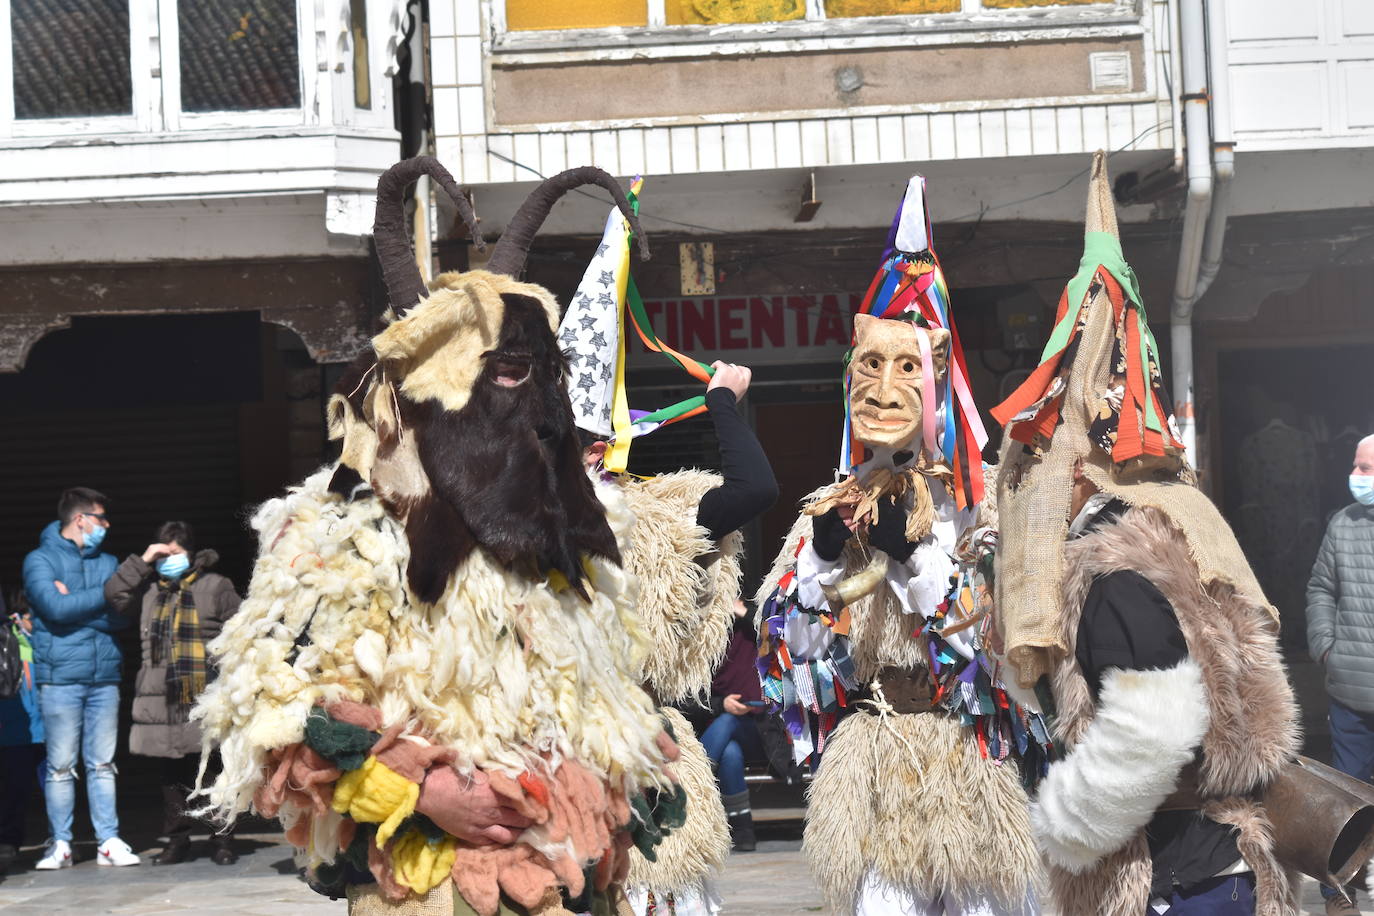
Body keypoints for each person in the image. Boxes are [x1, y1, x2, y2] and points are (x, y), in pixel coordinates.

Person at [193, 158, 685, 915]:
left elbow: (604, 704)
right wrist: (423, 789)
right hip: (422, 886)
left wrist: (615, 785)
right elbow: (281, 719)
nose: (541, 418)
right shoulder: (335, 544)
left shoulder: (569, 550)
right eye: (510, 379)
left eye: (541, 379)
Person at [989, 152, 1299, 916]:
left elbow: (1155, 734)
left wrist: (1063, 825)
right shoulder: (1176, 544)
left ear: (1075, 478)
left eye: (1032, 472)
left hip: (1180, 878)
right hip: (1204, 869)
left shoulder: (1117, 575)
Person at [755, 176, 1045, 916]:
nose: (883, 389)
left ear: (940, 376)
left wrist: (917, 560)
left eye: (906, 366)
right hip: (876, 764)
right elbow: (790, 650)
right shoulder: (831, 504)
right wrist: (819, 558)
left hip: (966, 759)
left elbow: (997, 648)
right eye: (869, 366)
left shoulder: (979, 508)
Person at [559, 188, 777, 916]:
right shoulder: (520, 526)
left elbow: (754, 488)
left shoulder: (660, 517)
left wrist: (720, 402)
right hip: (558, 764)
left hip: (650, 756)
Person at [105, 521, 242, 866]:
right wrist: (145, 559)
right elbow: (114, 594)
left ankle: (222, 838)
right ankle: (178, 839)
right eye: (163, 553)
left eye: (175, 553)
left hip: (203, 694)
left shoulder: (216, 586)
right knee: (170, 776)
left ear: (191, 553)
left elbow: (242, 630)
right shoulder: (149, 592)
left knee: (213, 769)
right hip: (159, 697)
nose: (169, 560)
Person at [22, 486, 139, 869]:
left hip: (104, 676)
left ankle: (108, 840)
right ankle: (61, 844)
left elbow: (123, 615)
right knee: (60, 766)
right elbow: (53, 607)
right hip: (60, 680)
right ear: (80, 519)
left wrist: (75, 604)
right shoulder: (39, 561)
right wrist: (98, 598)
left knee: (103, 763)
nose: (106, 525)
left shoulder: (109, 562)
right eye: (101, 518)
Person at [1307, 433, 1374, 915]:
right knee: (1347, 793)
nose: (1357, 476)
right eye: (1356, 466)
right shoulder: (1342, 524)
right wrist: (1325, 646)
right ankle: (1342, 888)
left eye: (1366, 468)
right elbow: (1320, 588)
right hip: (1349, 686)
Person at [697, 601, 766, 853]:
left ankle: (693, 791)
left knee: (728, 722)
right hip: (723, 733)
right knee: (730, 753)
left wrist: (743, 611)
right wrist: (721, 703)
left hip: (763, 732)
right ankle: (743, 828)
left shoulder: (753, 627)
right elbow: (686, 697)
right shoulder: (704, 641)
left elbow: (777, 630)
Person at [0, 591, 45, 873]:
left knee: (50, 787)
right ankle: (9, 839)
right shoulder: (9, 640)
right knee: (13, 789)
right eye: (33, 617)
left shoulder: (44, 639)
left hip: (45, 729)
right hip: (15, 730)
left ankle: (58, 838)